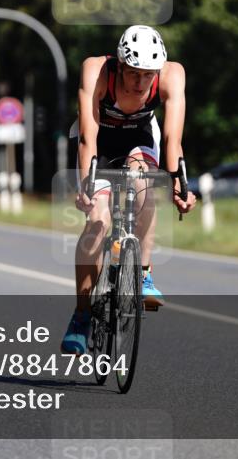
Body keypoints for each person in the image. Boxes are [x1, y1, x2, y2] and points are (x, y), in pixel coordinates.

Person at [61, 25, 196, 355]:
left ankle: (144, 273)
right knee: (97, 220)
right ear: (119, 65)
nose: (140, 83)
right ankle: (81, 314)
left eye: (147, 75)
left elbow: (171, 140)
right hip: (98, 138)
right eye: (133, 74)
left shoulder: (172, 75)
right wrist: (86, 186)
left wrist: (180, 184)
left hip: (139, 136)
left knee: (145, 182)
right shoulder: (96, 70)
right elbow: (87, 138)